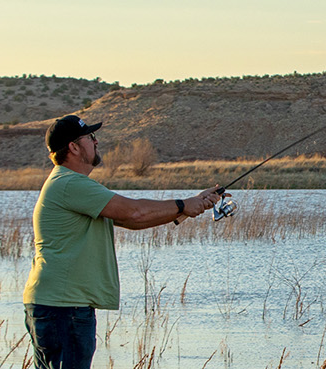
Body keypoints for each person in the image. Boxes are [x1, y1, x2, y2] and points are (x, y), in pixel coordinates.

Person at [23, 115, 227, 369]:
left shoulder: (69, 184)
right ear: (73, 147)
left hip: (60, 305)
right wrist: (184, 205)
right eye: (90, 137)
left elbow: (134, 222)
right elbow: (134, 212)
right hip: (63, 307)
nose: (96, 142)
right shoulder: (69, 184)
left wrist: (190, 204)